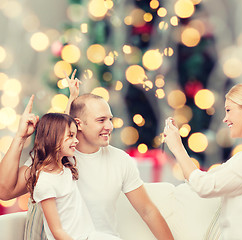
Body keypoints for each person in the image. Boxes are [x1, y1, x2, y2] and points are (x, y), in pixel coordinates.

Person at [0, 70, 174, 240]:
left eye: (110, 119)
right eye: (101, 120)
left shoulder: (120, 160)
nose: (110, 126)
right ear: (79, 124)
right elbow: (5, 191)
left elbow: (147, 210)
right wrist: (20, 137)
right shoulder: (53, 159)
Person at [163, 82, 242, 240]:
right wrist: (177, 147)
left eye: (229, 110)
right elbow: (201, 180)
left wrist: (177, 148)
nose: (225, 119)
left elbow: (204, 186)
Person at [26, 112, 118, 240]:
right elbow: (57, 231)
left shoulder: (66, 165)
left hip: (89, 235)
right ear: (53, 137)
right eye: (71, 135)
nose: (76, 140)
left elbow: (63, 123)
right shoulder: (45, 182)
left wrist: (73, 97)